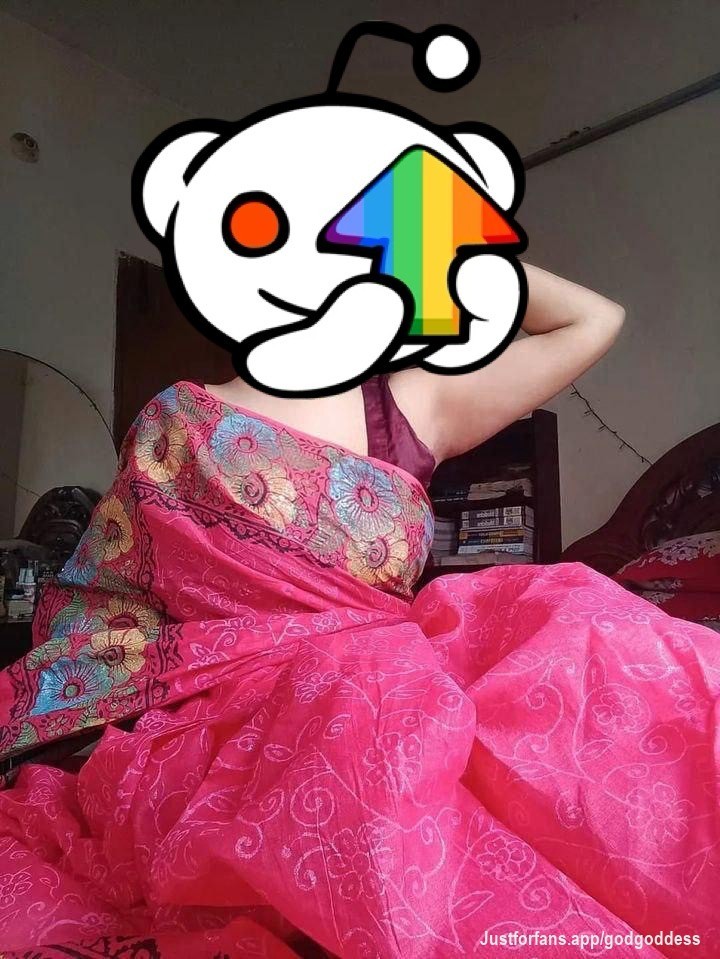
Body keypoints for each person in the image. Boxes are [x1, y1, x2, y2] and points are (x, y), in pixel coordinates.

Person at [0, 263, 716, 959]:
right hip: (237, 727)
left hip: (389, 696)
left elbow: (594, 320)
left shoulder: (411, 402)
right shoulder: (179, 420)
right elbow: (118, 595)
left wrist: (441, 248)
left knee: (615, 671)